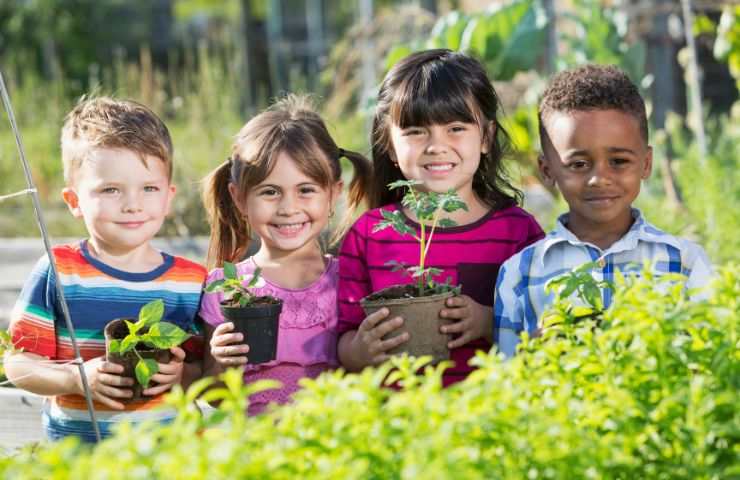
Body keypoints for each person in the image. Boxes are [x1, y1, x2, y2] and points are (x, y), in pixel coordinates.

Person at [336, 49, 544, 386]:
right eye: (416, 131)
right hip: (400, 422)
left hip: (492, 417)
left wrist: (489, 322)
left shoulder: (518, 233)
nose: (436, 145)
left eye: (456, 128)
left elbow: (543, 334)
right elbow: (341, 342)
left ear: (486, 138)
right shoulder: (369, 234)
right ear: (389, 143)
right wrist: (360, 350)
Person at [6, 97, 206, 442]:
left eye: (149, 188)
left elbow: (205, 371)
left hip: (172, 451)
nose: (132, 204)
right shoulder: (60, 271)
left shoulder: (189, 281)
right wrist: (76, 379)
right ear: (74, 201)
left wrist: (180, 375)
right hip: (81, 453)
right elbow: (19, 365)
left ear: (169, 197)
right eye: (110, 189)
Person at [494, 64, 714, 357]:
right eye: (578, 164)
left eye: (619, 161)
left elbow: (712, 361)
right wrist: (533, 356)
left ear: (646, 163)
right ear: (547, 170)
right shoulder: (519, 274)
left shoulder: (686, 263)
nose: (599, 178)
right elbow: (504, 383)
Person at [199, 94, 371, 415]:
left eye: (306, 190)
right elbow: (215, 396)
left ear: (334, 193)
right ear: (239, 198)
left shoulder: (352, 279)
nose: (289, 208)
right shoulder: (224, 288)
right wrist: (224, 365)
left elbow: (371, 380)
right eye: (270, 192)